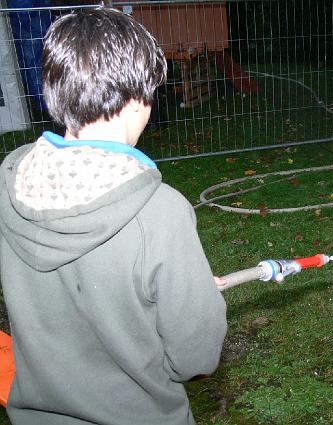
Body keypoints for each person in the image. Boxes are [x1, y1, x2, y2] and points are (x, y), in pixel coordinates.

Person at [0, 7, 227, 425]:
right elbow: (195, 357)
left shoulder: (9, 184)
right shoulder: (159, 213)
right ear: (135, 99)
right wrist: (194, 304)